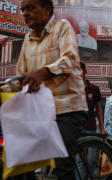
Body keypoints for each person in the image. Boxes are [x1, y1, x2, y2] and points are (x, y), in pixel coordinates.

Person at [0, 0, 88, 179]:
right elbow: (21, 77)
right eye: (23, 9)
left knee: (61, 164)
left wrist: (43, 72)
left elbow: (70, 60)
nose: (25, 13)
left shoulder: (62, 27)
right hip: (39, 111)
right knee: (20, 162)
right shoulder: (28, 39)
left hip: (67, 108)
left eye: (31, 8)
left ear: (47, 9)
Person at [80, 62, 105, 134]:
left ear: (85, 72)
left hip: (90, 128)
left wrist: (102, 129)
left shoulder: (94, 89)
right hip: (74, 129)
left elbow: (99, 109)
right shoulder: (72, 89)